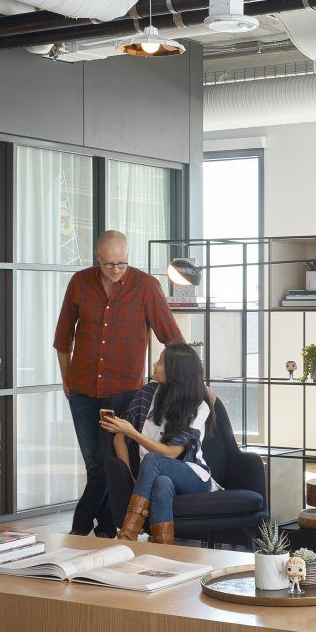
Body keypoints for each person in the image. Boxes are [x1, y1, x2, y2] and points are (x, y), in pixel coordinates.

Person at [53, 230, 184, 536]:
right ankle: (106, 530)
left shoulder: (146, 287)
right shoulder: (79, 283)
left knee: (106, 461)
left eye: (121, 263)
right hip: (82, 388)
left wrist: (195, 382)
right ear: (97, 259)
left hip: (124, 393)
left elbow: (173, 340)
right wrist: (66, 381)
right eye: (109, 264)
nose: (115, 270)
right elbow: (62, 339)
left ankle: (81, 527)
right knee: (94, 462)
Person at [103, 343, 217, 546]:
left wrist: (132, 432)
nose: (155, 365)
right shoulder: (146, 395)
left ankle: (128, 534)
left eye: (161, 362)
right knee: (161, 483)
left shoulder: (199, 407)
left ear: (175, 371)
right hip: (160, 475)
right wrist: (130, 475)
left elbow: (171, 453)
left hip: (193, 477)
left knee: (154, 459)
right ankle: (165, 549)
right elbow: (119, 437)